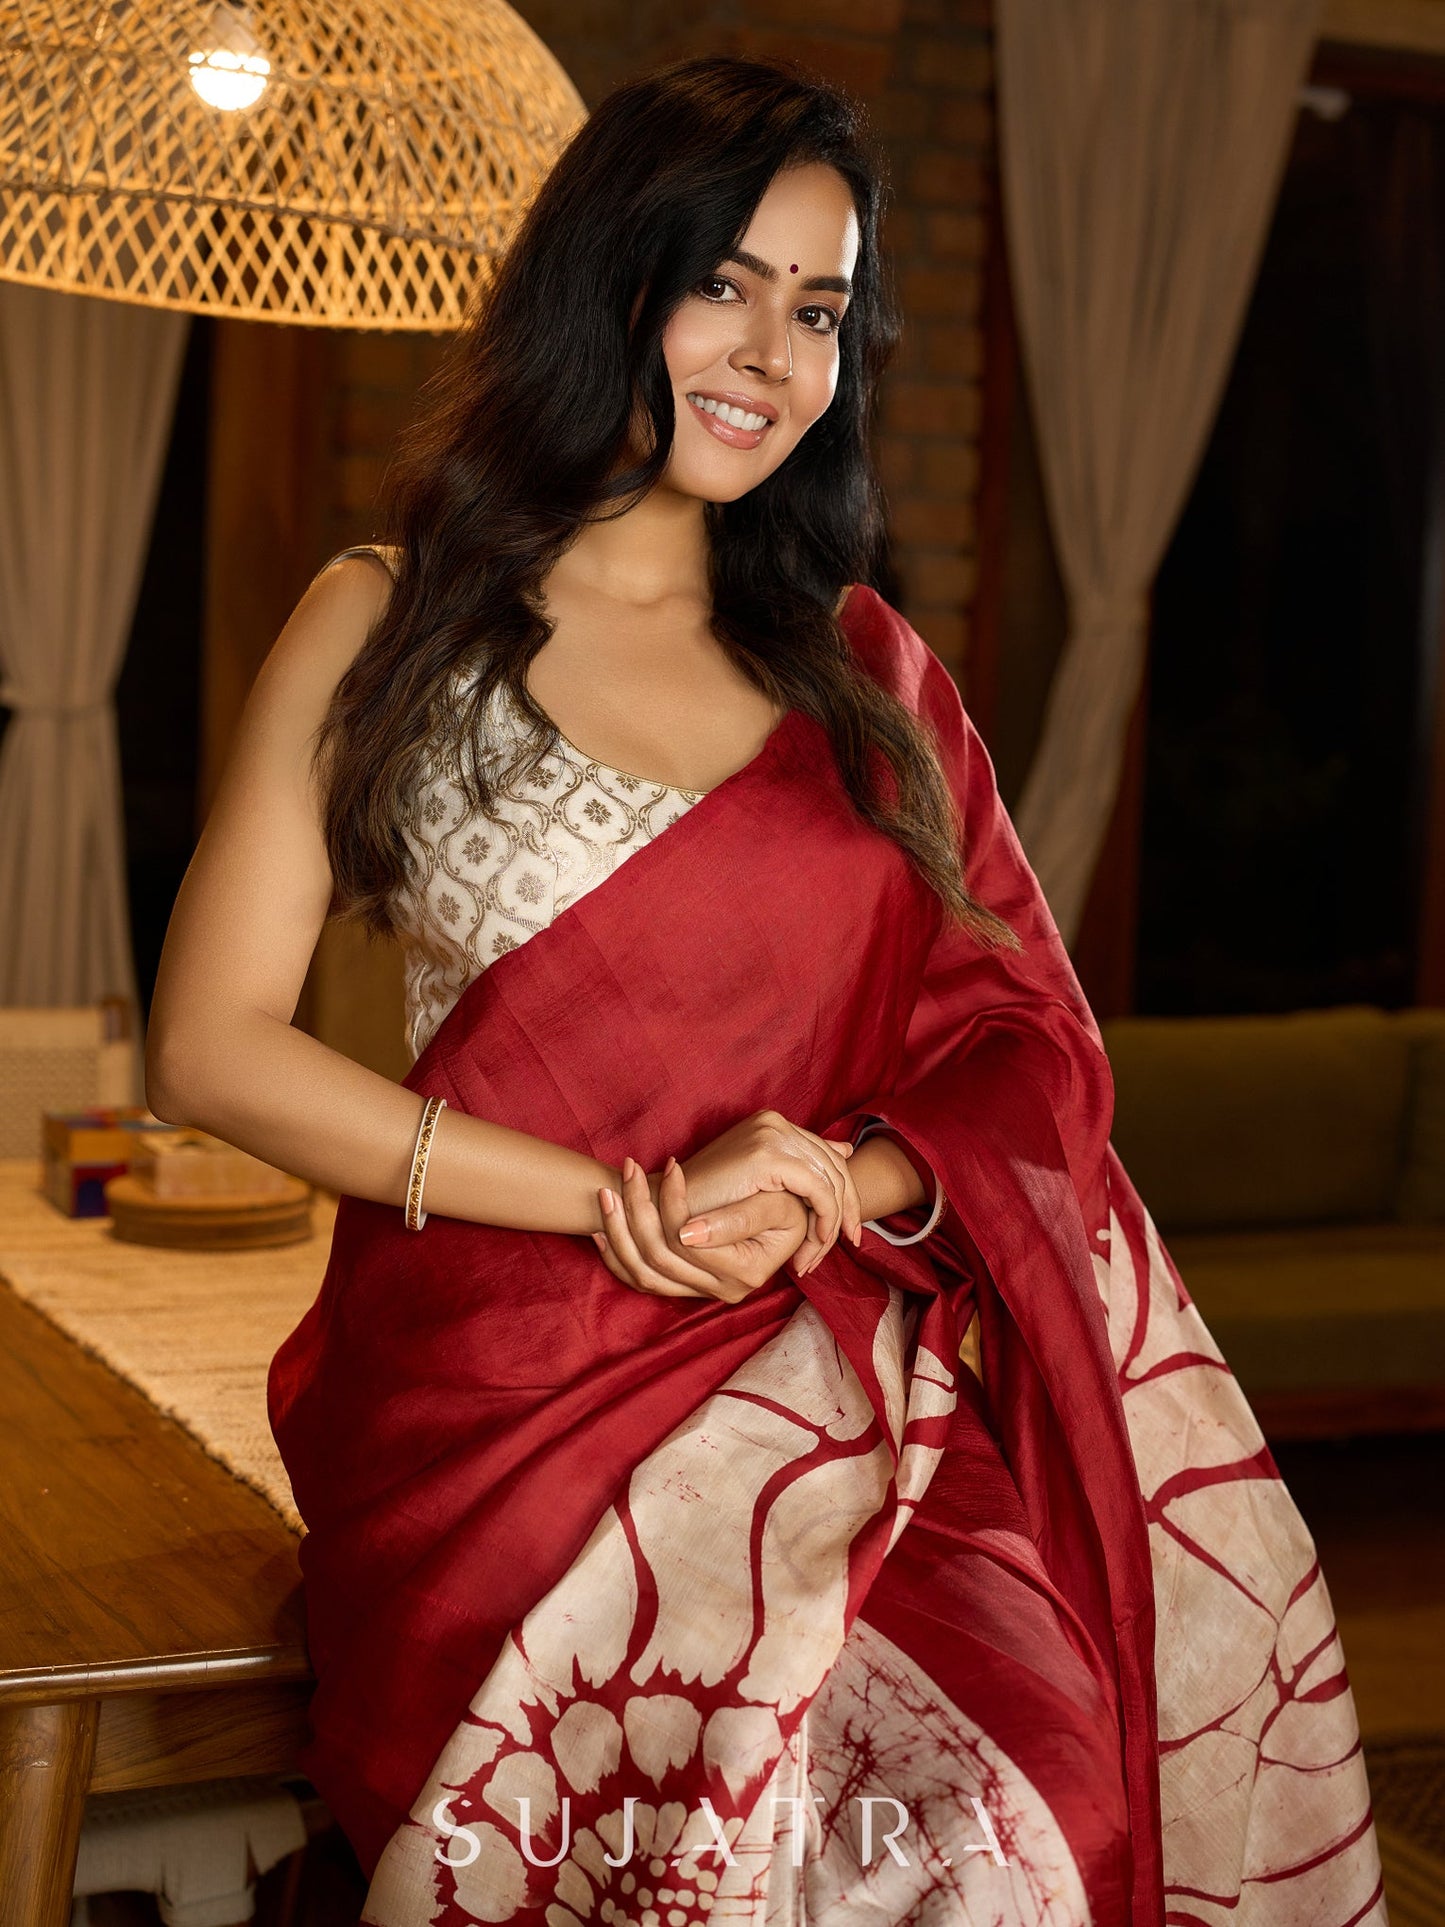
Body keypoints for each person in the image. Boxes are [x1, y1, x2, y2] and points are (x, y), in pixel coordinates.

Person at [145, 53, 1386, 1927]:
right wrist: (618, 1210)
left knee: (1011, 1822)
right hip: (492, 1399)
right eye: (722, 281)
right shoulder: (389, 617)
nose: (768, 350)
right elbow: (210, 1042)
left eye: (816, 308)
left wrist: (829, 1181)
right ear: (608, 284)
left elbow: (1025, 1044)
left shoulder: (863, 677)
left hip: (829, 1376)